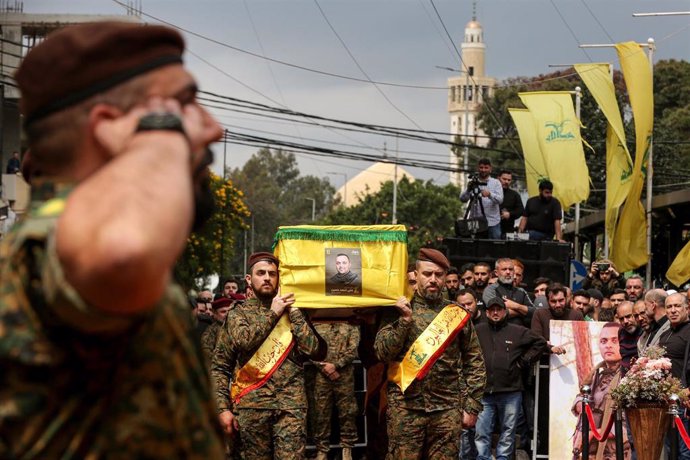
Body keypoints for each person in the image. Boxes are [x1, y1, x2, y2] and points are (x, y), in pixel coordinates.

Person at [0, 22, 226, 458]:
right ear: (108, 126)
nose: (212, 128)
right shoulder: (51, 239)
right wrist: (162, 133)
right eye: (184, 107)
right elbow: (124, 253)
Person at [212, 252, 326, 460]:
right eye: (261, 273)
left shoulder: (294, 312)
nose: (267, 278)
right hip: (251, 406)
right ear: (249, 279)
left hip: (290, 407)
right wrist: (222, 408)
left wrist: (295, 313)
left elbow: (314, 350)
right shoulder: (239, 313)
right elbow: (221, 365)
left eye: (272, 274)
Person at [373, 248, 486, 459]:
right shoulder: (396, 310)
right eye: (427, 274)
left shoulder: (456, 314)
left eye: (438, 275)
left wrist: (472, 406)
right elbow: (382, 353)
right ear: (416, 275)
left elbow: (474, 360)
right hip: (405, 407)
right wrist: (404, 322)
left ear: (446, 277)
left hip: (447, 408)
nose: (433, 280)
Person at [475, 297, 546, 460]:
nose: (495, 312)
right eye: (491, 309)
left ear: (505, 311)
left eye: (498, 309)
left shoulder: (517, 330)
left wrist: (524, 361)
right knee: (481, 433)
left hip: (511, 391)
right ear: (486, 312)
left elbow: (540, 342)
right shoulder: (478, 330)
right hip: (484, 392)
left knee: (508, 433)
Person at [571, 323, 631, 460]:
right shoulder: (597, 373)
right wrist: (580, 404)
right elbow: (581, 395)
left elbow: (630, 425)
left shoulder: (630, 376)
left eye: (614, 341)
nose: (608, 345)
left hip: (616, 453)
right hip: (591, 452)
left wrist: (593, 433)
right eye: (603, 341)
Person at [311, 322, 361, 460]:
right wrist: (324, 368)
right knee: (321, 413)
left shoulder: (351, 325)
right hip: (322, 377)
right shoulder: (315, 325)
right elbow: (308, 348)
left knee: (348, 413)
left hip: (345, 377)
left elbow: (353, 350)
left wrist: (336, 365)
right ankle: (322, 450)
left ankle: (347, 448)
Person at [659, 293, 690, 459]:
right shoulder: (665, 335)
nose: (673, 310)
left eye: (677, 306)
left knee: (685, 452)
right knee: (670, 451)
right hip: (667, 402)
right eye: (669, 307)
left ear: (687, 308)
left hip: (685, 403)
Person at [531, 284, 584, 354]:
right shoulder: (539, 314)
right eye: (553, 301)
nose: (558, 305)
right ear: (547, 301)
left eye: (561, 300)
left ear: (566, 298)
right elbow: (536, 340)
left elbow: (582, 341)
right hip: (545, 359)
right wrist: (550, 348)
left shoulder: (576, 316)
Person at [482, 258, 534, 327]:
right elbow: (497, 313)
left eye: (511, 269)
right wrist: (522, 312)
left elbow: (534, 312)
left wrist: (516, 306)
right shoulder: (490, 290)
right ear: (496, 273)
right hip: (498, 331)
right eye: (504, 269)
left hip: (520, 332)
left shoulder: (521, 291)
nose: (508, 272)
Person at [460, 158, 504, 239]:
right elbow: (462, 199)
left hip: (492, 222)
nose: (483, 170)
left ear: (490, 169)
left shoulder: (496, 183)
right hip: (475, 222)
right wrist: (468, 189)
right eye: (481, 167)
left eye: (486, 168)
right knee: (474, 248)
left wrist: (490, 194)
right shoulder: (473, 182)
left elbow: (500, 200)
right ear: (478, 168)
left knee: (494, 247)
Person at [638, 288, 670, 353]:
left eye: (645, 304)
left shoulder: (670, 326)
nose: (644, 308)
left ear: (653, 305)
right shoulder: (652, 327)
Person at [497, 170, 525, 238]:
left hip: (508, 229)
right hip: (490, 227)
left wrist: (510, 214)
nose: (506, 182)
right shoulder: (491, 192)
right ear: (498, 178)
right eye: (504, 179)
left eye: (509, 180)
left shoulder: (514, 195)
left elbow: (521, 210)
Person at [615, 301, 640, 373]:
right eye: (621, 319)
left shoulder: (644, 331)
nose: (625, 321)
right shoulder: (621, 331)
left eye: (628, 316)